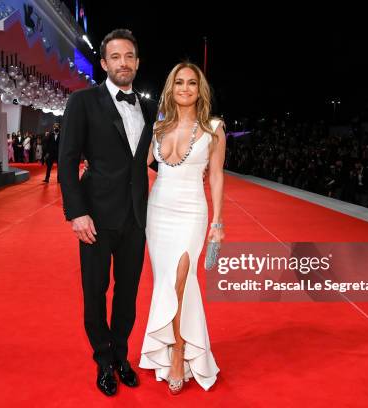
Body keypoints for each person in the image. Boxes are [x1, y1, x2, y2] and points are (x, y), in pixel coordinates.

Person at [58, 28, 157, 397]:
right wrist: (76, 213)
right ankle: (102, 360)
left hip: (135, 217)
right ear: (103, 63)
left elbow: (152, 158)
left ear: (137, 61)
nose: (123, 63)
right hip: (95, 217)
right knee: (96, 291)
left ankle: (120, 355)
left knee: (128, 293)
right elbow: (67, 160)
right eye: (115, 57)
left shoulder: (148, 105)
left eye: (129, 56)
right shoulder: (83, 102)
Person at [139, 62, 223, 394]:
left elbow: (216, 176)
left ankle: (177, 354)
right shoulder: (158, 128)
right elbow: (137, 165)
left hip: (192, 210)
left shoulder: (214, 127)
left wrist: (218, 221)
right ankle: (175, 346)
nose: (185, 88)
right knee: (166, 282)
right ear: (170, 89)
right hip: (157, 212)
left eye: (191, 82)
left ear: (199, 89)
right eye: (178, 83)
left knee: (181, 277)